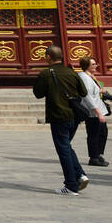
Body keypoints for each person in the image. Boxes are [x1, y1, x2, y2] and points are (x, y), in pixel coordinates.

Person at [32, 45, 89, 196]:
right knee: (66, 146)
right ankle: (80, 174)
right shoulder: (72, 72)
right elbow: (83, 92)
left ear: (48, 57)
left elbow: (38, 93)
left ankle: (71, 185)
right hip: (74, 116)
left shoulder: (46, 74)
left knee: (63, 149)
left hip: (58, 115)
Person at [77, 57, 110, 167]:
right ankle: (93, 157)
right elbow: (88, 96)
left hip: (99, 109)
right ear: (87, 66)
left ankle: (98, 154)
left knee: (103, 132)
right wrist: (98, 112)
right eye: (93, 64)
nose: (96, 66)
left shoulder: (90, 76)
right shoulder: (84, 78)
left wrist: (101, 90)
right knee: (94, 134)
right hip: (92, 111)